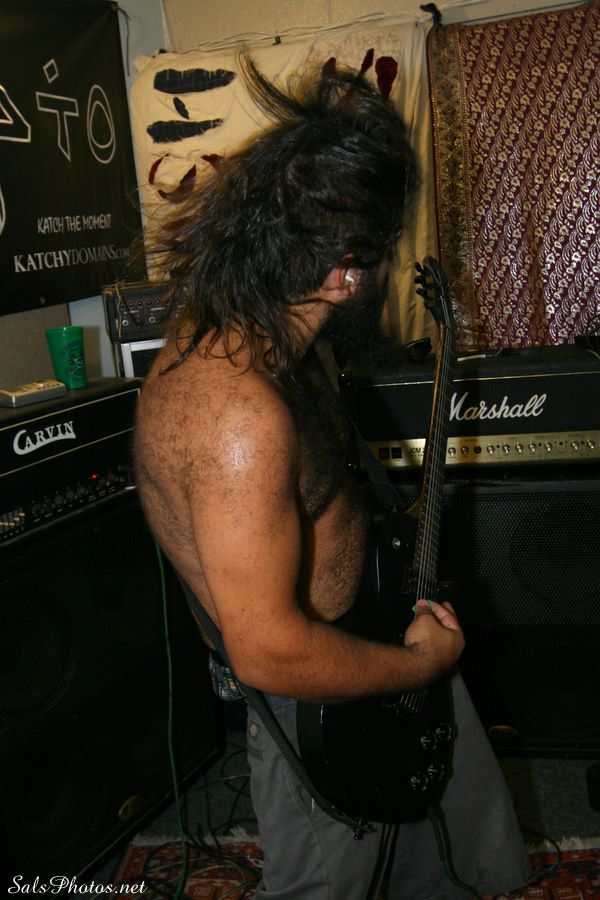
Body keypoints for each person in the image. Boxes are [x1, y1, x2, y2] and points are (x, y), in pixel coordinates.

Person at [134, 55, 531, 899]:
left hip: (379, 632)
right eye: (383, 255)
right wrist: (420, 667)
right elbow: (273, 651)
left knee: (440, 858)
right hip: (319, 701)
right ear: (346, 271)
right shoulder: (234, 412)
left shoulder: (276, 332)